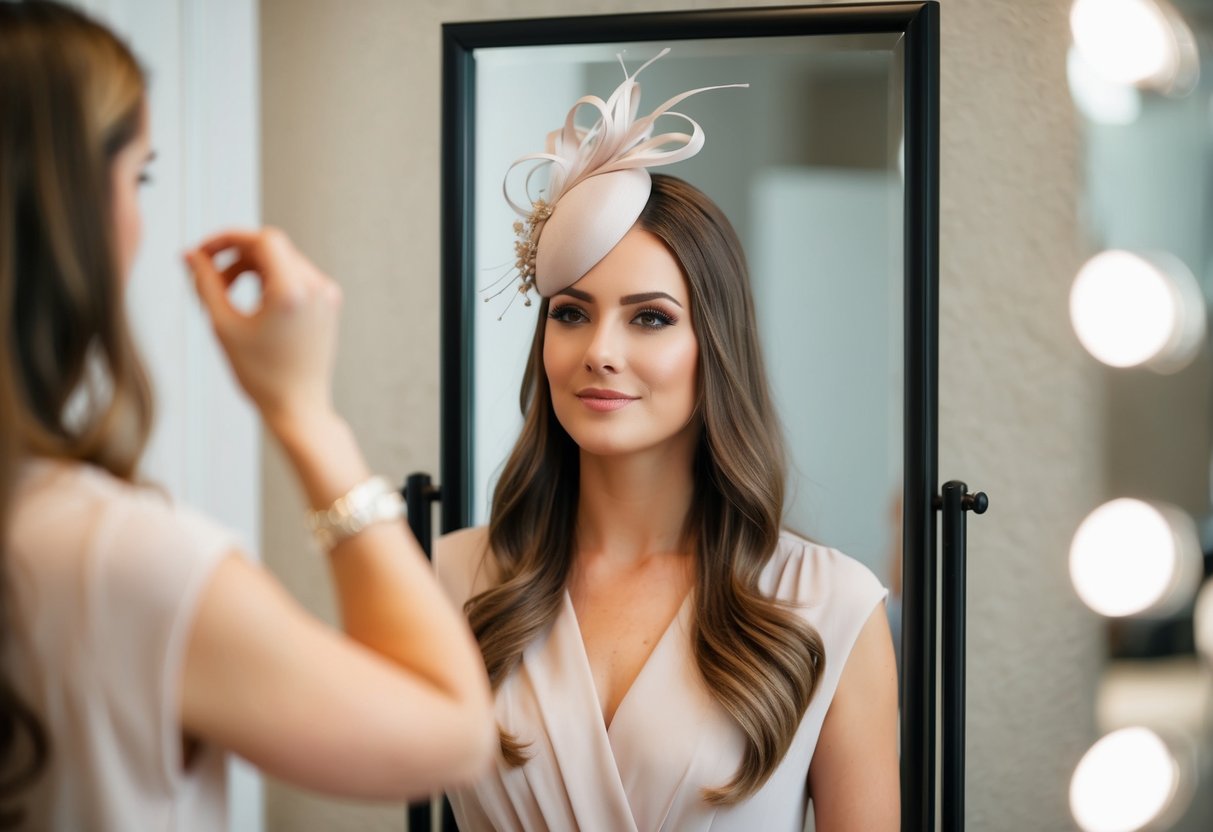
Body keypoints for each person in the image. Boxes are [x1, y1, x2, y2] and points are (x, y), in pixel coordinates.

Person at [0, 2, 493, 828]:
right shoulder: (112, 559)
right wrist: (305, 413)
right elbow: (452, 732)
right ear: (73, 208)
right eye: (140, 177)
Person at [435, 52, 900, 831]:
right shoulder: (454, 577)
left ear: (713, 346)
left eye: (648, 317)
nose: (599, 351)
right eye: (571, 313)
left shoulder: (829, 605)